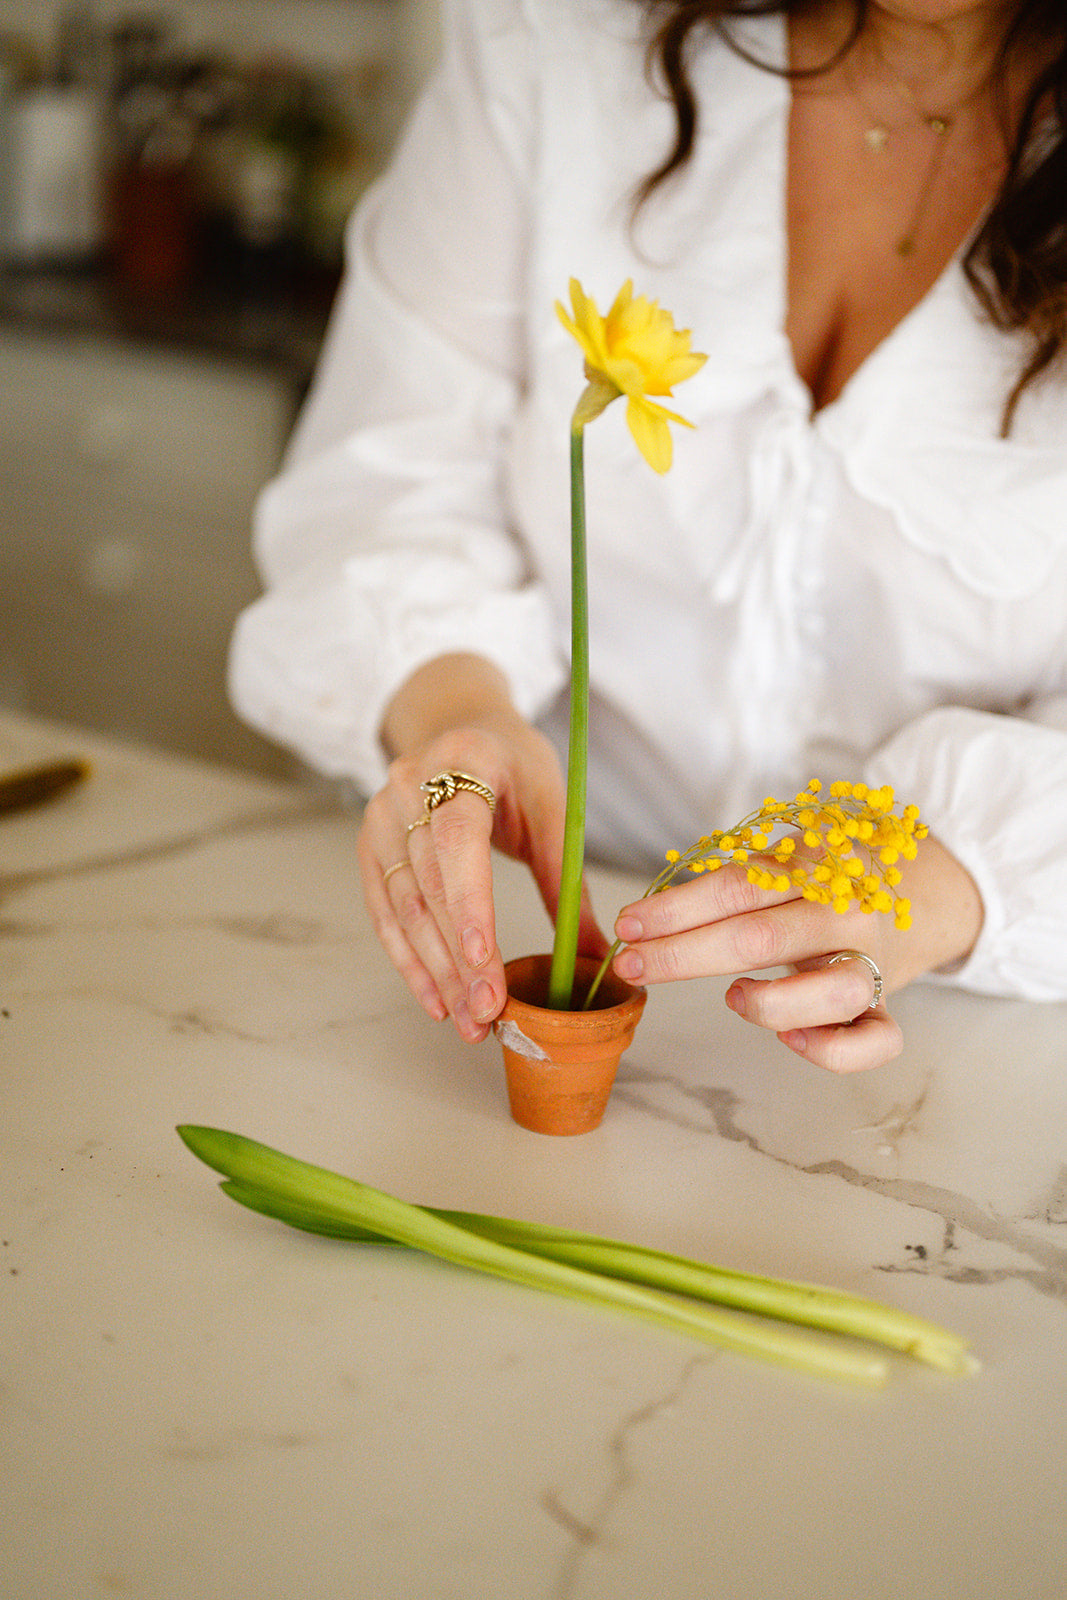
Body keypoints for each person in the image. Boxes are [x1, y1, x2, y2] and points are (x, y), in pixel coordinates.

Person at [229, 0, 1067, 1074]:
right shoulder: (553, 41)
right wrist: (457, 716)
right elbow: (385, 483)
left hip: (971, 1044)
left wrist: (959, 878)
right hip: (501, 977)